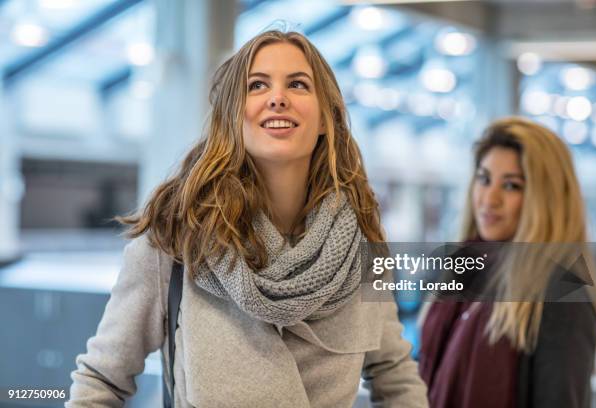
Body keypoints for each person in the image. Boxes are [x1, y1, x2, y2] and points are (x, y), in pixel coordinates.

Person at [67, 30, 428, 408]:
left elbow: (393, 372)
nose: (277, 98)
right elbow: (101, 380)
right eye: (257, 85)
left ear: (325, 118)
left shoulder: (360, 244)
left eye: (298, 85)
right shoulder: (177, 236)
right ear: (232, 115)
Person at [418, 117, 596, 408]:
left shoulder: (564, 295)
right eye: (483, 179)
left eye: (511, 186)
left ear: (546, 198)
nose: (489, 199)